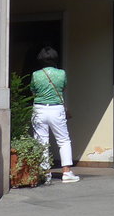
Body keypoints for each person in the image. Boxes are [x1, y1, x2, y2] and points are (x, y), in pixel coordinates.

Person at [31, 45, 79, 183]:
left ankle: (45, 173)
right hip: (56, 108)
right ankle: (66, 172)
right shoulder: (62, 74)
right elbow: (63, 87)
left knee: (41, 141)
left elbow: (33, 90)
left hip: (39, 109)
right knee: (63, 140)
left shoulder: (35, 75)